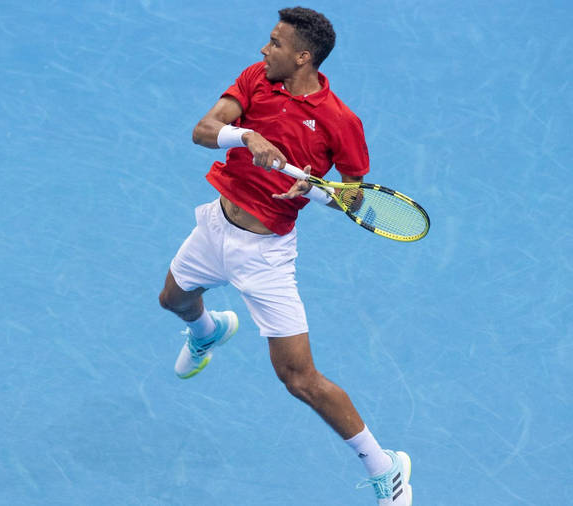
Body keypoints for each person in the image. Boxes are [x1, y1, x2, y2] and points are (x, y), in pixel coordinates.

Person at [157, 7, 412, 504]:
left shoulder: (341, 121)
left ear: (302, 57)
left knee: (299, 378)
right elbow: (203, 129)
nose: (262, 49)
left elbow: (354, 196)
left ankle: (386, 468)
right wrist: (244, 135)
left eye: (274, 43)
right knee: (172, 300)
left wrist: (315, 188)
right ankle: (209, 331)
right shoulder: (256, 80)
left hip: (265, 255)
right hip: (215, 227)